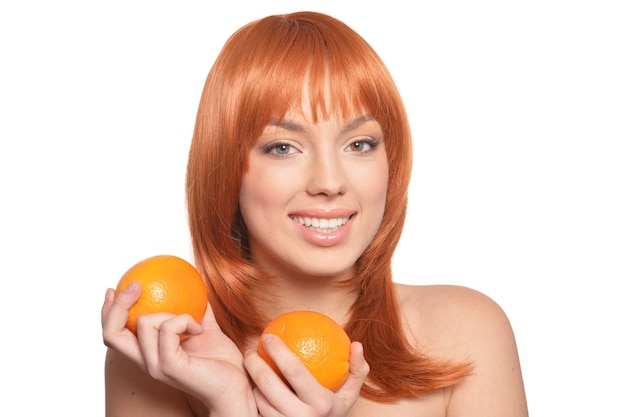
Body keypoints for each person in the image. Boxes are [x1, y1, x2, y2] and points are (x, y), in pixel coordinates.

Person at [101, 11, 528, 417]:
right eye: (283, 147)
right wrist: (231, 406)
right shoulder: (163, 354)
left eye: (359, 144)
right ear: (226, 168)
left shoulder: (466, 332)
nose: (329, 180)